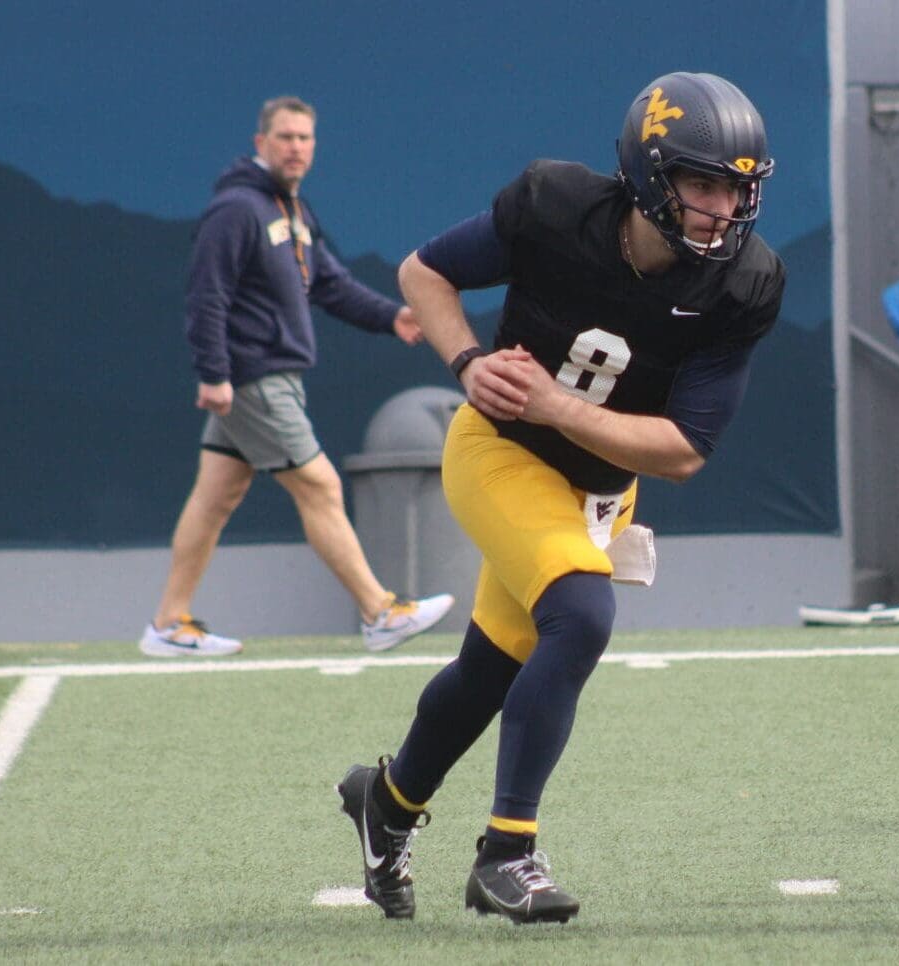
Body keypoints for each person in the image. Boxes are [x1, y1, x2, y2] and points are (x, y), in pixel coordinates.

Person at [335, 71, 784, 923]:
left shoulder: (743, 283)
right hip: (500, 453)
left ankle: (384, 802)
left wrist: (558, 405)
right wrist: (468, 363)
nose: (720, 208)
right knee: (579, 615)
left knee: (487, 672)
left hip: (600, 492)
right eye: (700, 183)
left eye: (735, 188)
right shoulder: (553, 206)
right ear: (649, 176)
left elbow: (684, 451)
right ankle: (508, 852)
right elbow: (422, 272)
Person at [140, 96, 454, 657]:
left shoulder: (293, 212)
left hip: (269, 378)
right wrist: (213, 373)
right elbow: (205, 296)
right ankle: (380, 611)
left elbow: (330, 284)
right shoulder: (237, 209)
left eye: (305, 138)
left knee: (215, 497)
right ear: (260, 143)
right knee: (320, 486)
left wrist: (393, 317)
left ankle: (167, 623)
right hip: (254, 378)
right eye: (285, 137)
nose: (296, 148)